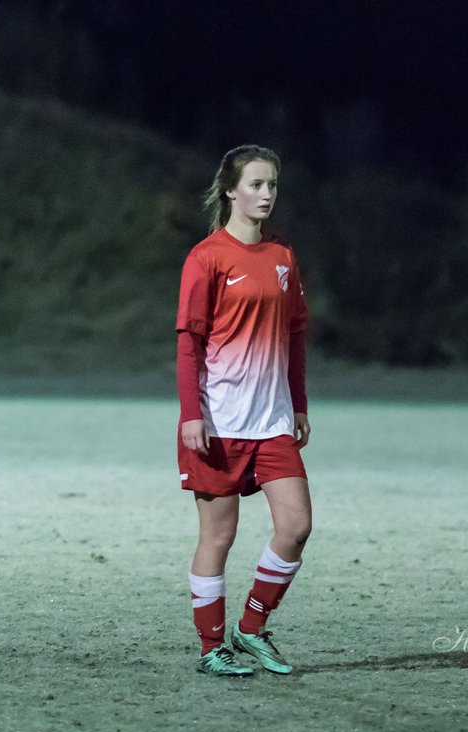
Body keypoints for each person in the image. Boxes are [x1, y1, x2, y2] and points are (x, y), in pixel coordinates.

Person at [176, 144, 312, 677]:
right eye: (256, 185)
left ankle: (251, 629)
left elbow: (296, 336)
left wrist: (297, 403)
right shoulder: (206, 257)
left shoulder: (282, 259)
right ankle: (212, 646)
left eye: (272, 185)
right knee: (218, 537)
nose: (266, 195)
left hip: (273, 421)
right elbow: (189, 343)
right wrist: (192, 415)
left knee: (296, 526)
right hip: (219, 421)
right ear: (230, 190)